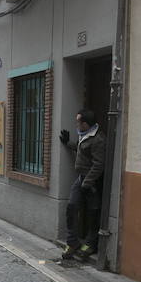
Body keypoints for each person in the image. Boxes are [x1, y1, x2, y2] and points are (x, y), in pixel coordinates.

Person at [59, 109, 106, 261]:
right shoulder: (84, 134)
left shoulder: (98, 139)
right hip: (81, 179)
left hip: (92, 182)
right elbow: (82, 150)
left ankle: (90, 243)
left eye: (78, 121)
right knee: (71, 207)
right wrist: (68, 143)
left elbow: (99, 165)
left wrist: (87, 183)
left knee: (93, 212)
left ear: (85, 124)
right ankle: (72, 242)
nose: (76, 124)